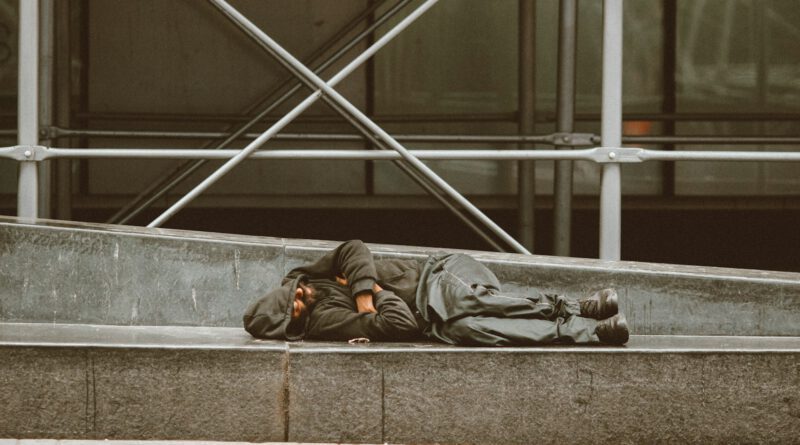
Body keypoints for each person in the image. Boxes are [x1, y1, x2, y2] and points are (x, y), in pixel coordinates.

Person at [243, 240, 629, 346]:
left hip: (440, 273)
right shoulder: (323, 323)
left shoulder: (306, 276)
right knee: (471, 331)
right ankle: (590, 333)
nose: (301, 301)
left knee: (463, 300)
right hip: (432, 322)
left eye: (294, 298)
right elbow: (400, 323)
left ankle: (581, 306)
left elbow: (352, 248)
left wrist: (361, 293)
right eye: (295, 313)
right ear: (293, 325)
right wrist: (376, 289)